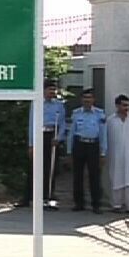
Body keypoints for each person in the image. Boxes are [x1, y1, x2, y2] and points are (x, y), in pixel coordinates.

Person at [15, 79, 67, 210]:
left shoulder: (59, 105)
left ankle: (47, 197)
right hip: (39, 135)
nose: (52, 92)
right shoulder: (37, 103)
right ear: (44, 90)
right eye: (50, 89)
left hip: (52, 136)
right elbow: (32, 123)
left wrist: (59, 138)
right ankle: (27, 198)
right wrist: (31, 144)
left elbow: (62, 124)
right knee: (33, 168)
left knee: (50, 169)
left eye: (54, 89)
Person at [67, 88, 107, 214]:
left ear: (93, 100)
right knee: (77, 175)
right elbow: (71, 133)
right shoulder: (76, 113)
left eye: (89, 98)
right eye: (85, 98)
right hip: (79, 145)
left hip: (93, 146)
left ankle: (96, 204)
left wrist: (103, 153)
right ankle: (79, 203)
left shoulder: (100, 114)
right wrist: (69, 151)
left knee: (94, 176)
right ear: (81, 99)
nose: (87, 100)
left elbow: (103, 135)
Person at [106, 94, 129, 213]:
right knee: (116, 178)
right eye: (124, 105)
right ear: (117, 106)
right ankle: (116, 205)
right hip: (115, 154)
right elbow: (106, 137)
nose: (126, 108)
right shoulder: (110, 121)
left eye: (127, 105)